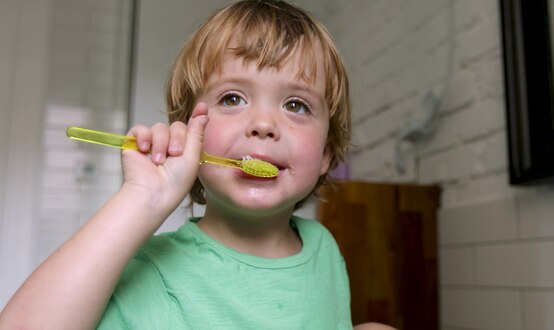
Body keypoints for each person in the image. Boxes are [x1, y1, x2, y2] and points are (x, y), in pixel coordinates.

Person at [0, 0, 384, 328]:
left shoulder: (324, 249)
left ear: (326, 156)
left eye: (296, 105)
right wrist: (142, 198)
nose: (264, 125)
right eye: (232, 99)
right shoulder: (151, 271)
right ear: (189, 137)